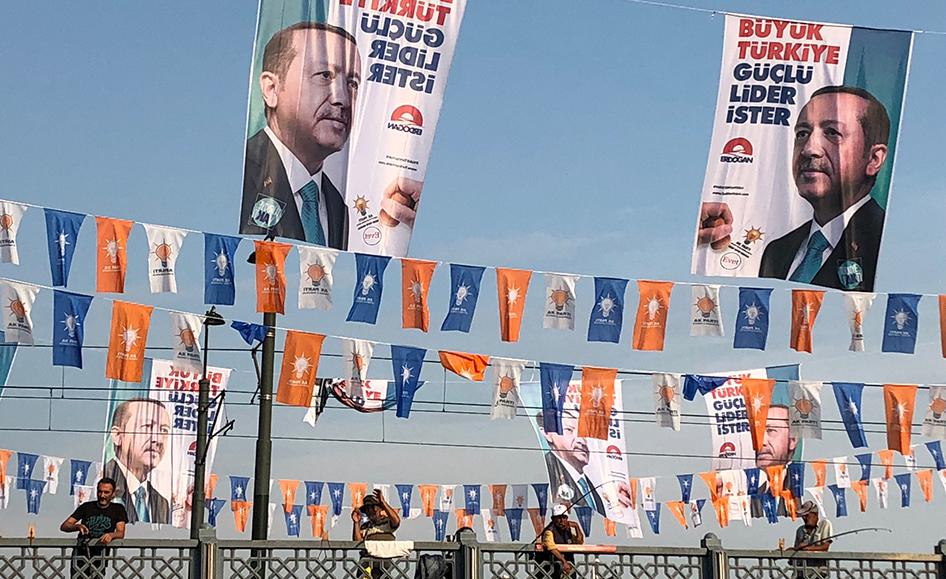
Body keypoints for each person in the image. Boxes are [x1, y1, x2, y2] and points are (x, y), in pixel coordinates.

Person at [759, 86, 890, 291]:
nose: (809, 149)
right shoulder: (776, 251)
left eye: (832, 133)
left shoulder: (884, 242)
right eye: (802, 133)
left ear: (874, 159)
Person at [103, 398, 171, 524]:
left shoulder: (162, 503)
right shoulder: (102, 481)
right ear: (117, 435)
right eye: (147, 427)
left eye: (164, 431)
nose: (158, 440)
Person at [60, 477, 128, 579]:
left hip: (100, 554)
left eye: (106, 492)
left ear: (113, 494)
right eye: (100, 492)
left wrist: (111, 535)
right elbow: (65, 525)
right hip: (81, 553)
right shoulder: (86, 507)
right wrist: (77, 526)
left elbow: (120, 532)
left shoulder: (118, 509)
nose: (102, 495)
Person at [352, 489, 401, 577]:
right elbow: (357, 542)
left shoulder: (387, 522)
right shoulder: (365, 526)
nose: (372, 511)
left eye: (374, 508)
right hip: (367, 563)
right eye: (368, 509)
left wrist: (383, 503)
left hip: (384, 562)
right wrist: (356, 523)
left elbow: (396, 521)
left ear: (379, 509)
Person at [536, 504, 584, 579]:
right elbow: (551, 547)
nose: (562, 521)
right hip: (551, 569)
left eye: (564, 518)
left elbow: (579, 541)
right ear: (553, 519)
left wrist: (576, 526)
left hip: (568, 568)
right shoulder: (549, 531)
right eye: (559, 518)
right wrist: (564, 561)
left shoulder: (567, 531)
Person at [793, 501, 833, 578]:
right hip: (802, 571)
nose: (804, 518)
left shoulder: (825, 524)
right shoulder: (800, 530)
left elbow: (825, 547)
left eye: (807, 515)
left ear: (815, 514)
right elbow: (797, 548)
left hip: (819, 572)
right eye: (803, 516)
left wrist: (806, 548)